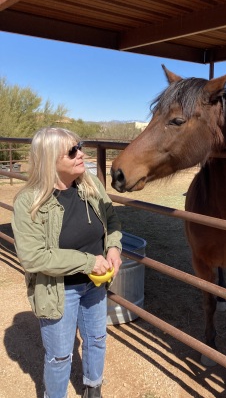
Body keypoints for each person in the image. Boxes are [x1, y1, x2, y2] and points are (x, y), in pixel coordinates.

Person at [11, 127, 123, 398]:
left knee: (97, 340)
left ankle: (93, 389)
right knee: (60, 356)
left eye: (80, 146)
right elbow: (33, 255)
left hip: (95, 284)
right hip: (59, 290)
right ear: (50, 160)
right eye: (72, 151)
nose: (81, 154)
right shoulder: (29, 202)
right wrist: (87, 262)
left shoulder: (91, 184)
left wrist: (114, 247)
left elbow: (111, 220)